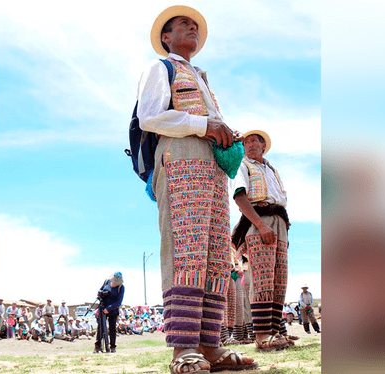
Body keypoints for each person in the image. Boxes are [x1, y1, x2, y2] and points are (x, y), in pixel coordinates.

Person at [136, 5, 256, 373]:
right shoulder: (161, 68)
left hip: (212, 169)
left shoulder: (201, 76)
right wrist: (203, 125)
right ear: (166, 37)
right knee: (186, 250)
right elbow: (150, 116)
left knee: (215, 256)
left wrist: (220, 132)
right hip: (181, 159)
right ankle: (183, 348)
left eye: (195, 26)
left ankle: (210, 345)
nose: (192, 28)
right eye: (182, 25)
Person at [231, 129, 292, 352]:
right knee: (262, 279)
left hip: (279, 221)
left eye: (255, 140)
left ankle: (275, 332)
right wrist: (261, 224)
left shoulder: (271, 169)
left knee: (279, 278)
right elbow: (240, 196)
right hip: (260, 221)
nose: (250, 144)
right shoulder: (243, 165)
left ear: (263, 146)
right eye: (247, 141)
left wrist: (282, 226)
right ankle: (262, 336)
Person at [93, 272, 125, 353]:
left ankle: (112, 347)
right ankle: (97, 346)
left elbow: (119, 302)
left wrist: (109, 308)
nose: (114, 283)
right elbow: (100, 290)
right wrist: (99, 294)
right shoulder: (106, 281)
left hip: (113, 310)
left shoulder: (121, 287)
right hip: (102, 307)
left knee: (112, 328)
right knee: (100, 327)